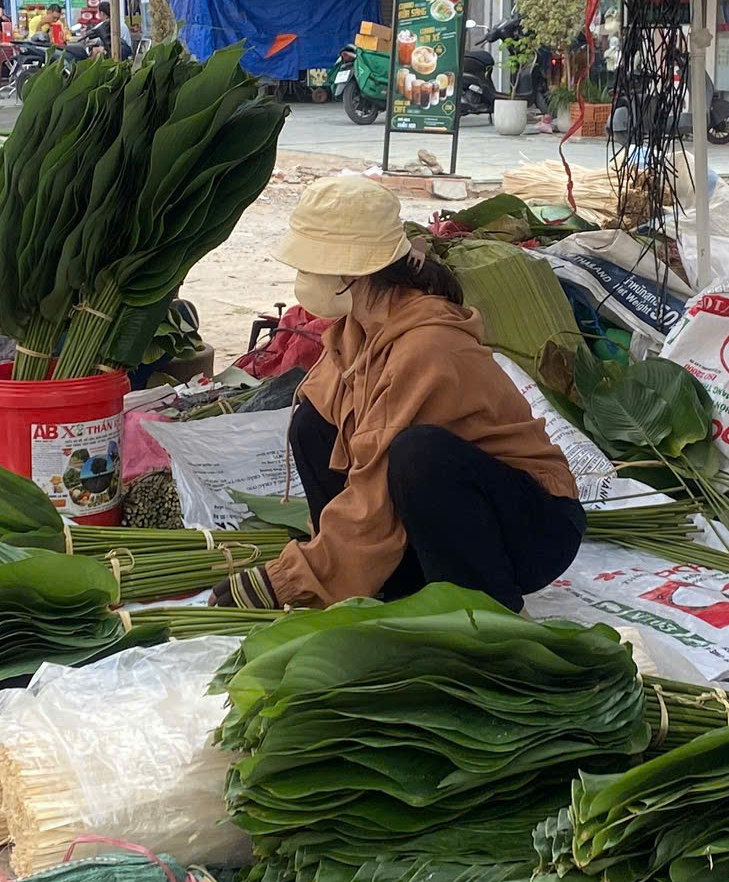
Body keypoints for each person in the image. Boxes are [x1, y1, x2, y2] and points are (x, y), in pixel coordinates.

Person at [214, 175, 584, 611]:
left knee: (417, 455)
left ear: (351, 270)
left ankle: (482, 606)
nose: (302, 278)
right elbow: (352, 460)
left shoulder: (427, 346)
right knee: (313, 423)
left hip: (531, 526)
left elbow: (375, 489)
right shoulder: (356, 331)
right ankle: (377, 582)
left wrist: (290, 580)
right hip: (440, 515)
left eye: (310, 265)